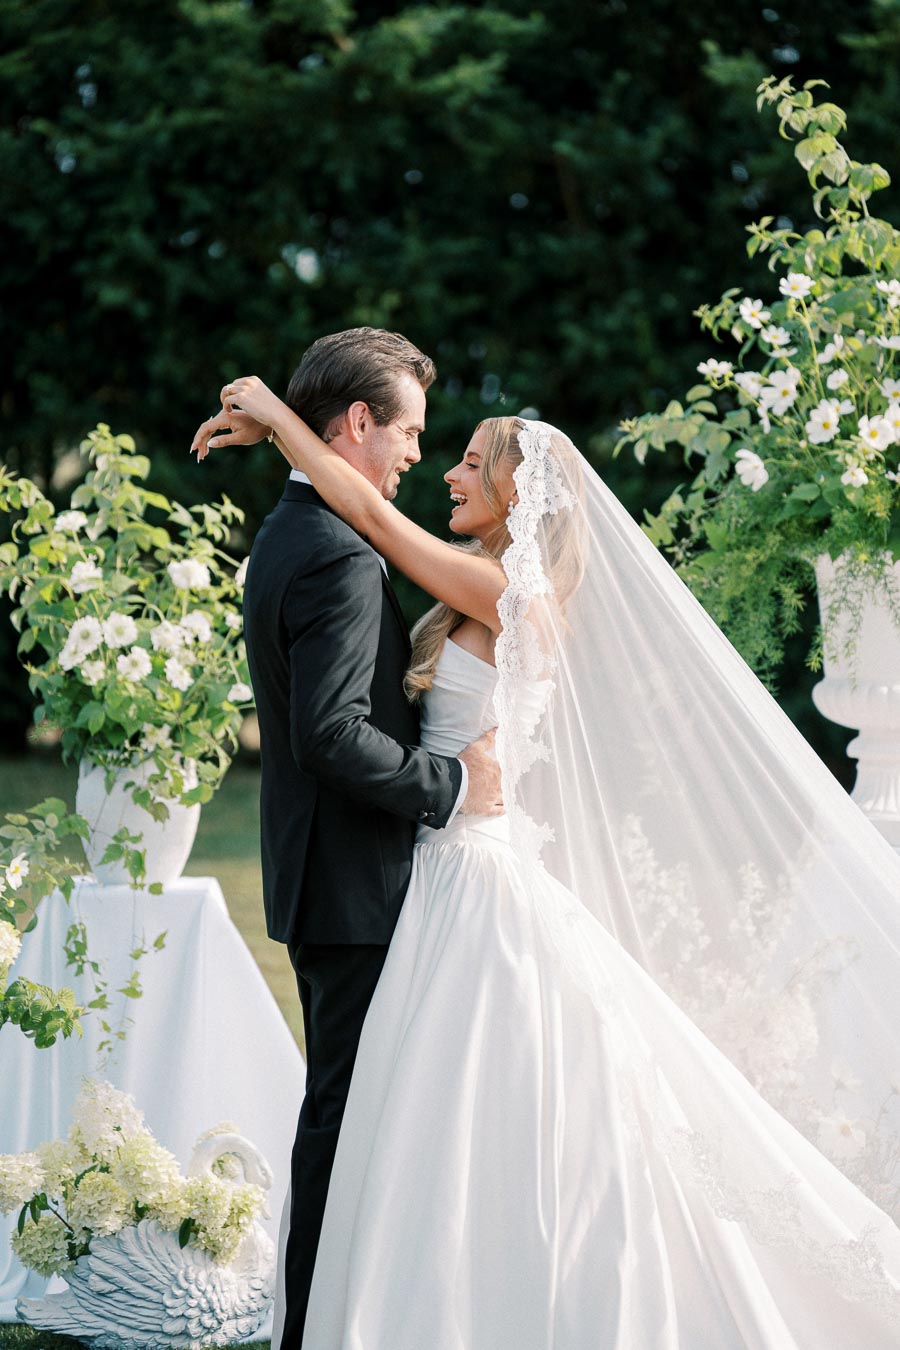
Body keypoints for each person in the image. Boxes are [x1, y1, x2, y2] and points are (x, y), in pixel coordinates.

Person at [195, 384, 900, 1347]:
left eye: (473, 460)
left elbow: (365, 510)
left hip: (472, 872)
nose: (447, 467)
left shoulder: (505, 593)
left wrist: (280, 420)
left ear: (520, 495)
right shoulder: (477, 587)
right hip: (442, 866)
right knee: (421, 1108)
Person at [192, 330, 503, 1347]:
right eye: (411, 430)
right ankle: (319, 1325)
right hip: (356, 885)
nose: (422, 453)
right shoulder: (335, 552)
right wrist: (450, 787)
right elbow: (331, 736)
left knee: (361, 1119)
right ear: (359, 423)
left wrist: (279, 423)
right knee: (345, 1123)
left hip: (336, 878)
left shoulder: (303, 528)